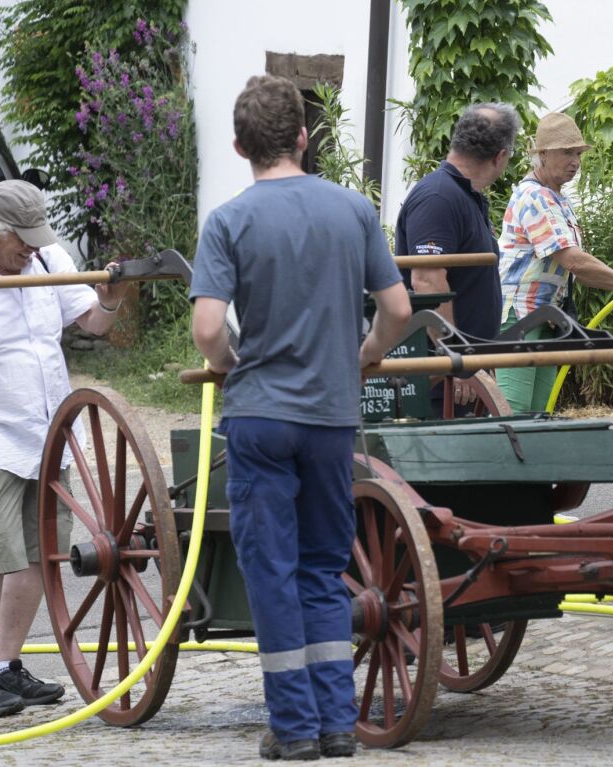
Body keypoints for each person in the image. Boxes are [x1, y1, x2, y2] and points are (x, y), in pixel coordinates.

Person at [190, 75, 410, 761]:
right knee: (322, 568)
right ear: (303, 138)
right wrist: (364, 353)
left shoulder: (228, 221)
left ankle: (292, 728)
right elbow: (398, 310)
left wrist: (229, 361)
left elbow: (205, 329)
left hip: (260, 414)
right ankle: (337, 722)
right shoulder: (352, 210)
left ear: (237, 146)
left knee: (271, 570)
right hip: (329, 415)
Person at [0, 180, 129, 717]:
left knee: (38, 556)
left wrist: (113, 295)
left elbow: (93, 323)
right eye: (20, 243)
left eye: (35, 241)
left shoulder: (46, 258)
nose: (30, 251)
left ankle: (7, 666)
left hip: (50, 436)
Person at [496, 112, 613, 414]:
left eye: (578, 153)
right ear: (542, 155)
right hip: (519, 314)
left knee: (539, 412)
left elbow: (577, 271)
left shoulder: (557, 199)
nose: (575, 161)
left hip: (543, 316)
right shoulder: (534, 197)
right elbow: (574, 261)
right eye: (567, 152)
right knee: (514, 412)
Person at [395, 102, 520, 408]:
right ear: (500, 156)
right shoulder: (439, 196)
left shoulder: (462, 194)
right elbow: (427, 280)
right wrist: (457, 360)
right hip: (438, 384)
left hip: (462, 376)